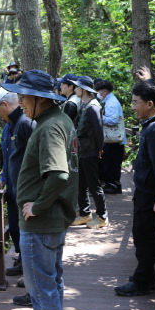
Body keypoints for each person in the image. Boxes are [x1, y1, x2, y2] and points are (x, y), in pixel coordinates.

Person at [2, 70, 78, 310]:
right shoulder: (59, 120)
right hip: (53, 220)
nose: (20, 102)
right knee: (52, 281)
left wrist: (37, 206)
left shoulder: (48, 128)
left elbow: (59, 174)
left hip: (42, 222)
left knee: (41, 286)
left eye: (23, 97)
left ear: (38, 98)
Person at [115, 79, 155, 296]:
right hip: (146, 191)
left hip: (149, 195)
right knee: (142, 235)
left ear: (150, 104)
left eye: (136, 102)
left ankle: (143, 282)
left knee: (143, 236)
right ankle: (145, 277)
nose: (133, 106)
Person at [0, 87, 37, 277]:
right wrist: (3, 178)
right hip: (14, 188)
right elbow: (9, 156)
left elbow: (36, 158)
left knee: (28, 231)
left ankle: (30, 276)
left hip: (27, 190)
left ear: (5, 105)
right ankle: (23, 261)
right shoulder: (10, 126)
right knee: (16, 228)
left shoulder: (25, 124)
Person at [70, 76, 108, 229]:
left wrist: (100, 149)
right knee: (81, 184)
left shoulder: (93, 106)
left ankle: (102, 217)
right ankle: (85, 214)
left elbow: (99, 131)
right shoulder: (85, 104)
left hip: (90, 151)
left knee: (94, 185)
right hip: (83, 151)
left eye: (77, 87)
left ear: (84, 90)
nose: (75, 89)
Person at [95, 79, 126, 194]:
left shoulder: (111, 102)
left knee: (111, 163)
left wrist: (99, 117)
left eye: (99, 91)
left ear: (104, 91)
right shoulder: (110, 100)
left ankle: (113, 186)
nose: (98, 94)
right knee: (111, 163)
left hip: (114, 140)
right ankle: (112, 184)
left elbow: (113, 120)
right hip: (114, 139)